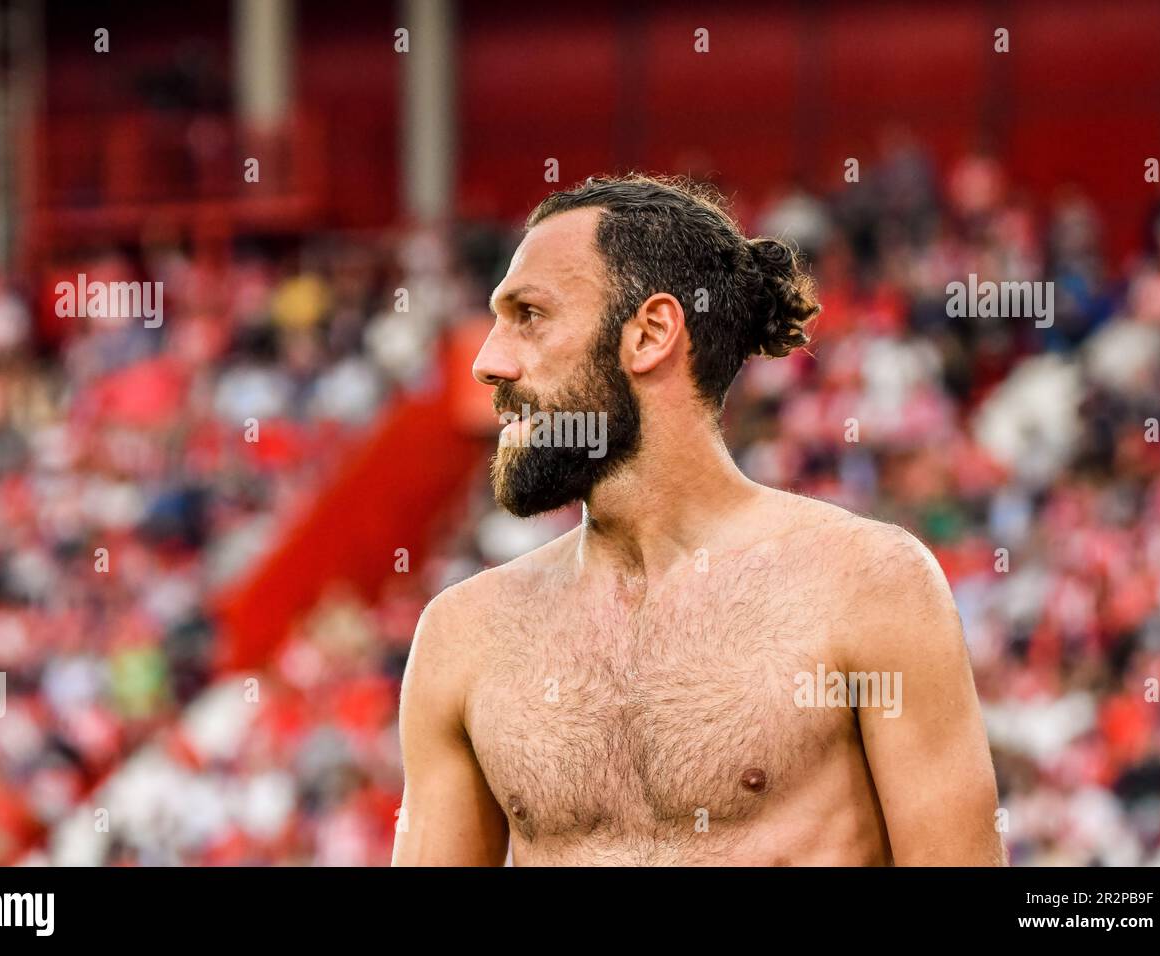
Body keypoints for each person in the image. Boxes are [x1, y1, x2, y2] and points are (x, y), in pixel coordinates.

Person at [392, 175, 1005, 866]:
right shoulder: (462, 635)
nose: (486, 361)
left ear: (651, 333)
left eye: (528, 314)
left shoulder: (868, 588)